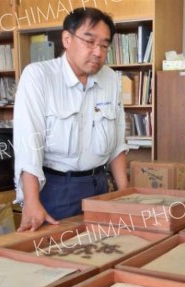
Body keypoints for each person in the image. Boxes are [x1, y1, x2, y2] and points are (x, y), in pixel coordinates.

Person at [13, 7, 128, 232]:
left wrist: (124, 192)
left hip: (100, 186)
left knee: (104, 253)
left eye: (104, 45)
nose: (97, 52)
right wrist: (31, 201)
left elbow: (117, 142)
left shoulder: (111, 79)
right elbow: (29, 145)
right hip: (57, 189)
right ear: (67, 38)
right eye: (89, 41)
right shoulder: (38, 76)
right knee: (57, 258)